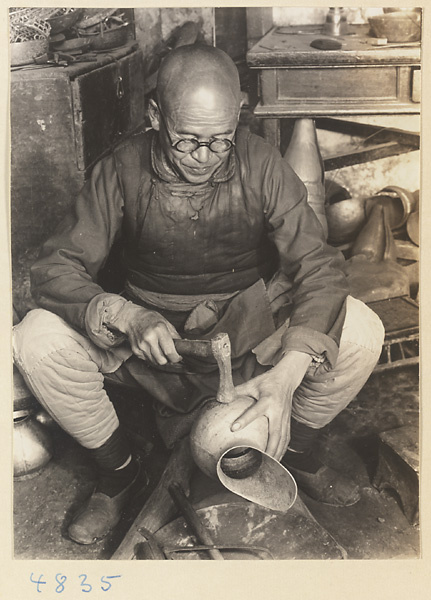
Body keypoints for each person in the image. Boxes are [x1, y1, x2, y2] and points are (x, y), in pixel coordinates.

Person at [13, 44, 384, 545]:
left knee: (362, 329)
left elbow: (319, 265)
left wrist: (286, 375)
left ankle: (293, 452)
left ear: (237, 121)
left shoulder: (261, 163)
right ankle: (120, 472)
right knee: (33, 339)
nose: (204, 158)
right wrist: (124, 315)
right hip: (150, 346)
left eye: (220, 141)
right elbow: (55, 266)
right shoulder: (120, 168)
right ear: (154, 115)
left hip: (249, 336)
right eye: (187, 141)